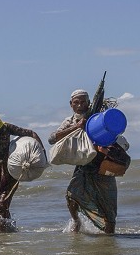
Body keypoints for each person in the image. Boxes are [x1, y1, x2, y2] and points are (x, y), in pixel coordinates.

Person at [49, 89, 118, 234]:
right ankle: (76, 221)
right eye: (76, 103)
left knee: (109, 210)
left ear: (89, 103)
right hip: (83, 168)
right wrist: (77, 126)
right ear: (71, 104)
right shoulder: (70, 121)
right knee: (71, 197)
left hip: (102, 167)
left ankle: (109, 242)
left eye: (83, 102)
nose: (80, 105)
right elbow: (52, 139)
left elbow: (116, 137)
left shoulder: (98, 118)